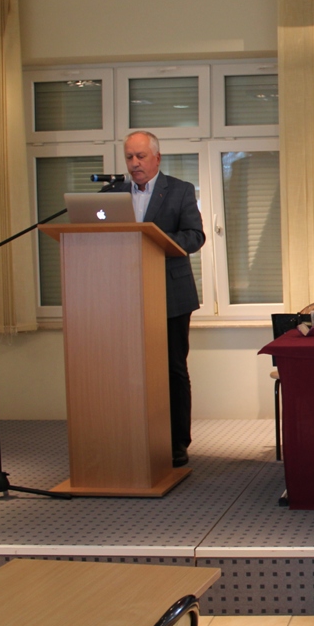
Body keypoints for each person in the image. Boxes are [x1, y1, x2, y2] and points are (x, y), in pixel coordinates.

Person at [115, 131, 205, 467]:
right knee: (128, 369)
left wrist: (153, 239)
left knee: (172, 369)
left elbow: (195, 236)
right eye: (129, 157)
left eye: (140, 156)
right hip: (123, 295)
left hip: (171, 293)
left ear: (157, 158)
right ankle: (131, 436)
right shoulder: (112, 194)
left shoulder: (180, 190)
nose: (134, 163)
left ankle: (177, 442)